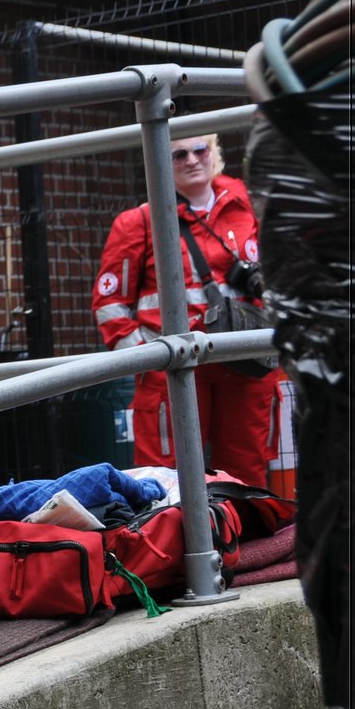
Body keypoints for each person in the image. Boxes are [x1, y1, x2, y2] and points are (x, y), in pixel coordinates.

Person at [91, 133, 282, 488]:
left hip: (247, 365)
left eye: (199, 150)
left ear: (214, 154)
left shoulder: (251, 208)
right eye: (178, 155)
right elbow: (110, 304)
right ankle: (174, 544)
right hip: (176, 367)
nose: (191, 160)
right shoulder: (139, 222)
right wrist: (146, 360)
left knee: (246, 476)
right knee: (165, 480)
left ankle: (245, 543)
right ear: (161, 162)